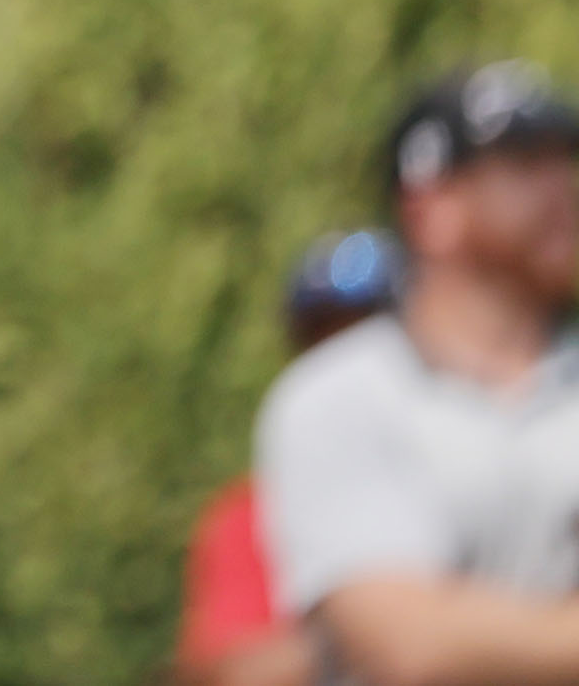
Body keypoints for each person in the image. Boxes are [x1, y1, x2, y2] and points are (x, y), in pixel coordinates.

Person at [256, 61, 579, 686]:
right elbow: (408, 644)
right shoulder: (339, 396)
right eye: (522, 165)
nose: (561, 186)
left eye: (564, 160)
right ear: (432, 205)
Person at [178, 230, 403, 686]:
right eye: (326, 341)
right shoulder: (252, 516)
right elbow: (236, 671)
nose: (347, 371)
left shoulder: (490, 480)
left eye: (372, 340)